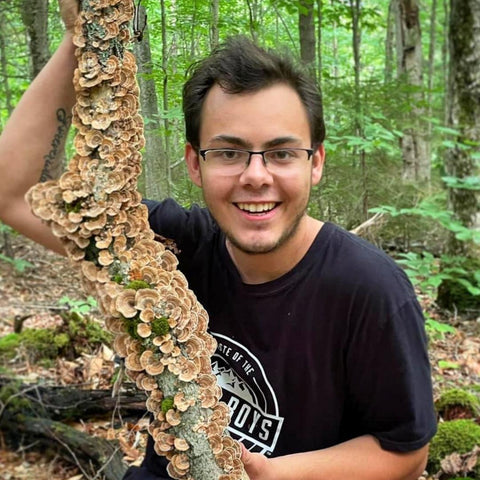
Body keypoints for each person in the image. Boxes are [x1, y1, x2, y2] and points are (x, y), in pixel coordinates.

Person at [0, 3, 437, 480]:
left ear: (315, 162)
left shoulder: (369, 290)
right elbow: (15, 195)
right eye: (228, 152)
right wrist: (77, 35)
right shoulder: (166, 245)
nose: (256, 176)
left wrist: (273, 474)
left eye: (281, 153)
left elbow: (407, 453)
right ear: (194, 163)